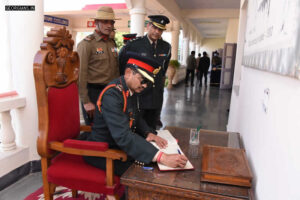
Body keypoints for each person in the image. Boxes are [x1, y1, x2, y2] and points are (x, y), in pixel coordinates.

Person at [84, 52, 188, 176]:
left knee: (153, 165)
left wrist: (148, 133)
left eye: (148, 82)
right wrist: (162, 157)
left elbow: (135, 117)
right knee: (144, 175)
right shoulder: (112, 95)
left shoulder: (131, 89)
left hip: (119, 146)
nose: (145, 86)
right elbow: (123, 135)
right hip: (103, 151)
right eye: (142, 80)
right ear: (128, 73)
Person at [118, 15, 171, 130]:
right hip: (139, 97)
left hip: (156, 97)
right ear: (148, 26)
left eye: (160, 29)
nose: (157, 32)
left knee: (152, 130)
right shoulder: (134, 44)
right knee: (135, 129)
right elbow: (122, 67)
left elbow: (163, 70)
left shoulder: (166, 47)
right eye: (154, 28)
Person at [77, 6, 120, 125]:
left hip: (111, 92)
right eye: (105, 21)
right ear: (96, 23)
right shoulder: (86, 44)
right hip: (93, 94)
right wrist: (86, 101)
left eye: (111, 22)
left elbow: (115, 69)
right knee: (95, 131)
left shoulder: (111, 43)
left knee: (110, 128)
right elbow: (81, 75)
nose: (109, 25)